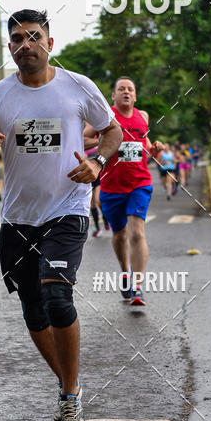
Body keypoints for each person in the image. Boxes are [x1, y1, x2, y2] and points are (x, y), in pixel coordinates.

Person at [0, 9, 122, 421]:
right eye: (17, 38)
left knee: (56, 298)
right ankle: (68, 383)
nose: (25, 44)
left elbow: (113, 131)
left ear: (50, 44)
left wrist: (97, 162)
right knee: (33, 311)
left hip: (68, 208)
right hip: (17, 217)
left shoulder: (77, 87)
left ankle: (69, 396)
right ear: (9, 47)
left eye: (34, 36)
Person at [87, 77, 162, 309]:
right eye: (122, 89)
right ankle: (125, 273)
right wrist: (104, 140)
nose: (126, 92)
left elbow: (143, 144)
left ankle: (138, 286)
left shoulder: (143, 117)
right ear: (114, 95)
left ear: (135, 95)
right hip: (111, 186)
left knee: (137, 233)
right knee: (119, 236)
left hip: (139, 182)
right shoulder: (105, 116)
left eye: (131, 89)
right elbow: (84, 136)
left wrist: (154, 149)